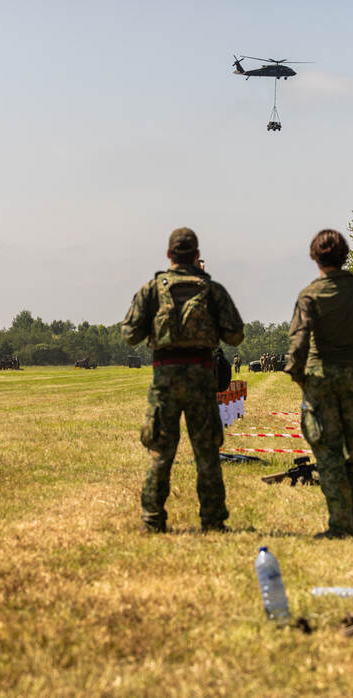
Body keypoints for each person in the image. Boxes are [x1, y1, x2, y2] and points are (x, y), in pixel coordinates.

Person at [121, 227, 245, 533]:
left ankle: (152, 521)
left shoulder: (152, 289)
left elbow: (129, 335)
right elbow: (236, 334)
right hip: (202, 376)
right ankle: (213, 521)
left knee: (161, 452)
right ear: (197, 256)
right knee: (207, 453)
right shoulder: (212, 290)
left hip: (165, 377)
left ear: (169, 255)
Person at [285, 229, 353, 538]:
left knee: (328, 452)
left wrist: (301, 378)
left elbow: (297, 346)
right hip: (351, 377)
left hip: (320, 378)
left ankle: (340, 524)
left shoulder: (310, 295)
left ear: (314, 257)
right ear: (344, 255)